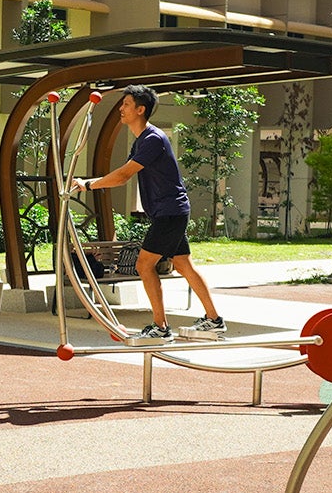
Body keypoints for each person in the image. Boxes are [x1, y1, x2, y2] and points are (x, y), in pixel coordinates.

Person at [68, 85, 224, 343]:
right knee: (183, 265)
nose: (121, 108)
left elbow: (123, 176)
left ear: (141, 110)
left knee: (144, 265)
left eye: (126, 105)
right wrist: (88, 181)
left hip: (169, 212)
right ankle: (213, 320)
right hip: (170, 211)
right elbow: (121, 174)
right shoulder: (143, 140)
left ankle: (161, 327)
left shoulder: (152, 139)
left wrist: (87, 184)